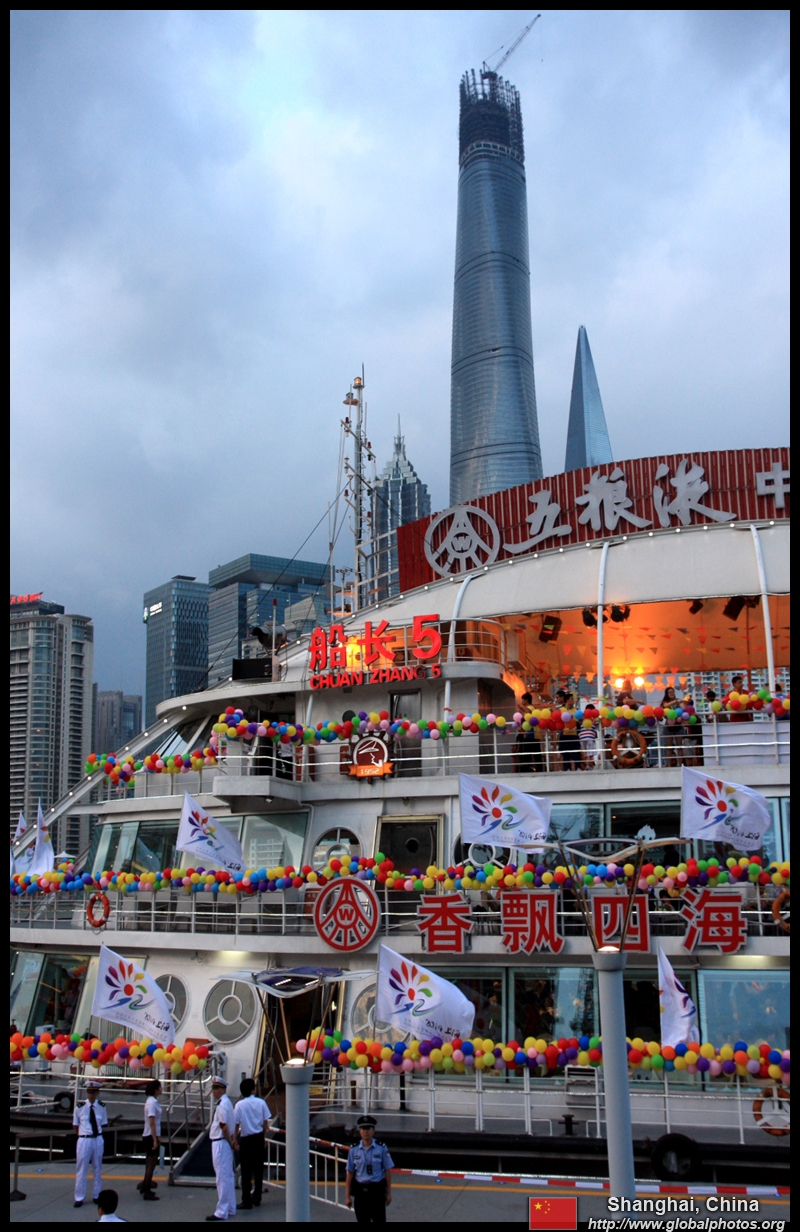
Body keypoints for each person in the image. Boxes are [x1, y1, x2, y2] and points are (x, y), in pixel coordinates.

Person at [345, 1116, 393, 1224]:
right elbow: (350, 1172)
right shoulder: (354, 1149)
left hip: (377, 1191)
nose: (365, 1131)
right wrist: (347, 1196)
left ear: (373, 1130)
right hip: (360, 1192)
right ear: (360, 1131)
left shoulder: (381, 1148)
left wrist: (389, 1193)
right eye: (363, 1128)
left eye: (368, 1128)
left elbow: (387, 1171)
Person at [234, 1077, 271, 1209]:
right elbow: (266, 1123)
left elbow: (236, 1124)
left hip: (246, 1139)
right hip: (258, 1138)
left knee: (246, 1171)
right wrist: (263, 1136)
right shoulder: (261, 1103)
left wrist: (234, 1139)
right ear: (253, 1090)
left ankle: (246, 1200)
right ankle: (257, 1198)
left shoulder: (239, 1105)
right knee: (258, 1170)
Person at [72, 1078, 108, 1207]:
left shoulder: (102, 1107)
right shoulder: (79, 1107)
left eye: (93, 1093)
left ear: (97, 1093)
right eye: (89, 1092)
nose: (90, 1095)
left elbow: (103, 1123)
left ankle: (96, 1195)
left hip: (97, 1139)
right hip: (84, 1139)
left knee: (98, 1167)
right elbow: (75, 1125)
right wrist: (82, 1135)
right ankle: (79, 1196)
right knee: (82, 1168)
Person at [206, 1077, 237, 1222]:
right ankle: (230, 1207)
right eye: (213, 1089)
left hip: (220, 1142)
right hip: (224, 1142)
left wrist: (230, 1142)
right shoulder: (228, 1103)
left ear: (223, 1090)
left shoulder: (221, 1105)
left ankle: (221, 1211)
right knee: (228, 1176)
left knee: (222, 1177)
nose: (214, 1092)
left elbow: (224, 1126)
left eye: (216, 1089)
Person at [138, 1078, 162, 1201]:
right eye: (160, 1087)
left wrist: (158, 1136)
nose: (162, 1089)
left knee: (150, 1163)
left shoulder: (153, 1101)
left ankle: (145, 1186)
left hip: (151, 1135)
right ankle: (147, 1190)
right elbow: (152, 1122)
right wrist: (154, 1140)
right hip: (149, 1136)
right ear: (156, 1089)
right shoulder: (152, 1103)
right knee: (151, 1164)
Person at [556, 690, 581, 772]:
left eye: (573, 699)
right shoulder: (561, 710)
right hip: (564, 734)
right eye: (571, 699)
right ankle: (567, 768)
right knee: (565, 753)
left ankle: (578, 767)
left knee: (576, 752)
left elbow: (579, 720)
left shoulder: (576, 710)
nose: (573, 701)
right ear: (567, 700)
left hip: (574, 734)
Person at [660, 687, 682, 767]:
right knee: (669, 747)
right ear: (667, 694)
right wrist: (675, 701)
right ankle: (668, 765)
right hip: (669, 726)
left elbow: (682, 708)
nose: (672, 693)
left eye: (673, 692)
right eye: (670, 692)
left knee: (679, 746)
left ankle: (680, 764)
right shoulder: (666, 702)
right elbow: (665, 705)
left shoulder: (678, 701)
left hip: (678, 725)